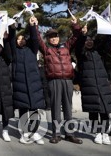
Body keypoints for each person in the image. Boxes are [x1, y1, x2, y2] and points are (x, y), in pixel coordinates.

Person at [37, 14, 83, 144]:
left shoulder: (66, 47)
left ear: (59, 37)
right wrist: (35, 26)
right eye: (51, 37)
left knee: (68, 108)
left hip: (68, 80)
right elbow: (38, 39)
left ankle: (70, 134)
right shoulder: (46, 50)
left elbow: (76, 36)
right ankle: (56, 134)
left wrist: (75, 25)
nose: (54, 38)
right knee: (56, 108)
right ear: (48, 39)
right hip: (54, 81)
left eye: (55, 36)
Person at [74, 25, 111, 145]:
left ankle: (105, 133)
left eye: (91, 40)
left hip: (103, 84)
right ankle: (97, 133)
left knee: (104, 110)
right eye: (87, 41)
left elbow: (108, 43)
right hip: (89, 86)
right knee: (93, 111)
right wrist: (83, 35)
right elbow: (78, 46)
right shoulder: (82, 54)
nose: (89, 42)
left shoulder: (99, 52)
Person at [9, 16, 45, 145]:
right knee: (23, 110)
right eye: (18, 39)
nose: (20, 41)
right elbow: (11, 40)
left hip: (34, 83)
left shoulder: (32, 49)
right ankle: (24, 133)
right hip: (20, 85)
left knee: (35, 110)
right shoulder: (14, 51)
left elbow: (35, 38)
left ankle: (34, 132)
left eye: (22, 38)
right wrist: (12, 29)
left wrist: (32, 26)